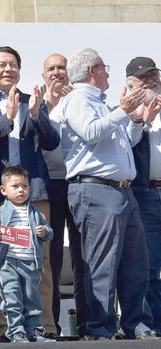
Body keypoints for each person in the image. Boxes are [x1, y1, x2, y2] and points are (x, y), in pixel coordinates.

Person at [52, 48, 158, 340]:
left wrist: (138, 121)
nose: (108, 73)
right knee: (102, 263)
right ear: (92, 70)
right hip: (96, 189)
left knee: (135, 263)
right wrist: (123, 112)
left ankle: (136, 323)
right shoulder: (76, 99)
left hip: (123, 191)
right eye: (105, 67)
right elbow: (90, 132)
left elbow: (127, 141)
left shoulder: (104, 104)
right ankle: (100, 329)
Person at [0, 46, 60, 340]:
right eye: (1, 65)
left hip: (36, 194)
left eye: (13, 64)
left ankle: (44, 326)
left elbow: (52, 142)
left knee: (39, 261)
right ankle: (9, 328)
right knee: (3, 260)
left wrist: (38, 115)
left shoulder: (33, 101)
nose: (8, 69)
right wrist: (5, 119)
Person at [41, 53, 87, 338]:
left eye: (62, 68)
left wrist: (74, 101)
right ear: (43, 75)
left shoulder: (80, 99)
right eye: (51, 69)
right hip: (48, 185)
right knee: (52, 259)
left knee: (85, 257)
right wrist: (45, 106)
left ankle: (87, 325)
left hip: (79, 182)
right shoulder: (35, 103)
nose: (57, 72)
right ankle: (53, 326)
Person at [0, 166, 54, 343]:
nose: (21, 190)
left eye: (24, 186)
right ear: (3, 190)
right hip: (8, 263)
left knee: (33, 298)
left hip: (29, 262)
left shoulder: (34, 212)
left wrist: (43, 231)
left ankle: (35, 331)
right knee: (12, 298)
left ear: (30, 189)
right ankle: (16, 332)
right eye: (15, 186)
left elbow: (49, 234)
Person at [126, 56, 161, 335]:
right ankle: (153, 324)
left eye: (154, 75)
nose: (151, 80)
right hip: (146, 194)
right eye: (144, 77)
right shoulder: (126, 114)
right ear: (131, 83)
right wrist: (140, 120)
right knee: (149, 266)